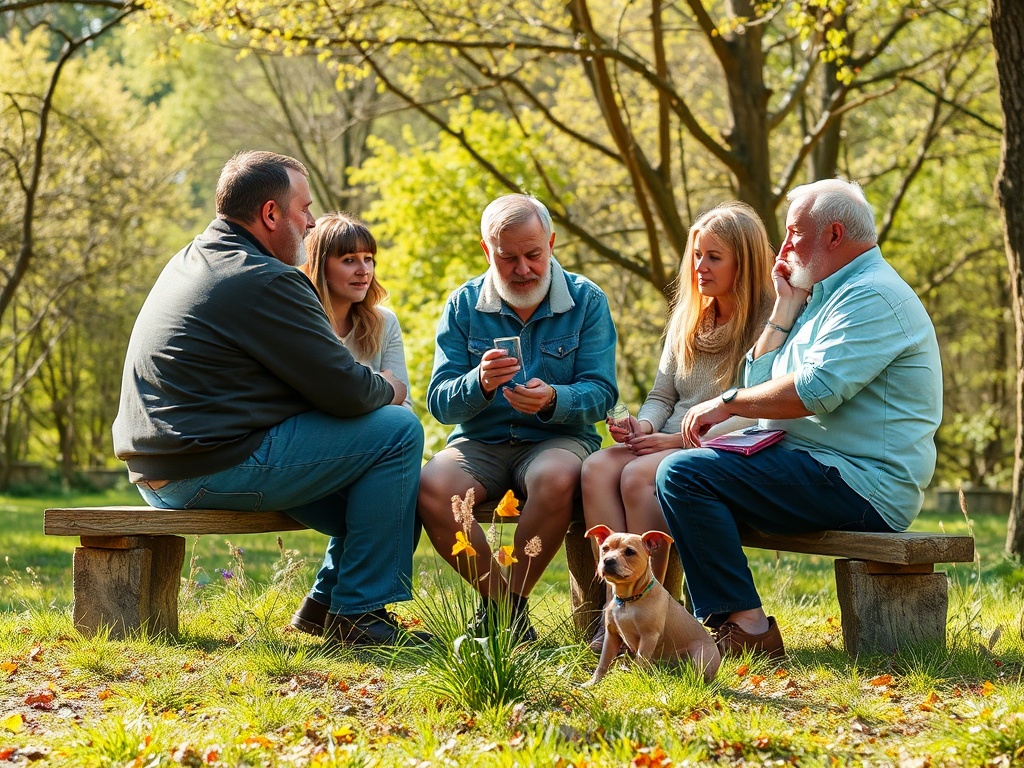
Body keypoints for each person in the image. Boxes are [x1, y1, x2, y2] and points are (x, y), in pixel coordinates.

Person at [112, 150, 426, 647]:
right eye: (303, 208)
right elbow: (348, 392)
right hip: (206, 466)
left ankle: (324, 608)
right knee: (399, 432)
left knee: (388, 495)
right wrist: (393, 388)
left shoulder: (196, 257)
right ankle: (359, 616)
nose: (312, 220)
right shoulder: (266, 279)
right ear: (271, 214)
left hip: (162, 466)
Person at [655, 179, 942, 659]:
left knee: (684, 474)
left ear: (832, 235)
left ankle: (744, 628)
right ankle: (706, 623)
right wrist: (785, 308)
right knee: (682, 471)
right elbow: (765, 375)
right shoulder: (824, 295)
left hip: (862, 482)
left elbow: (815, 391)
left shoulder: (872, 296)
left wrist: (727, 402)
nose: (782, 247)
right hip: (814, 463)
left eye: (792, 233)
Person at [418, 193, 618, 641]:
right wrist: (479, 383)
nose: (523, 269)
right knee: (433, 484)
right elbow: (439, 401)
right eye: (508, 258)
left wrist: (553, 400)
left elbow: (603, 394)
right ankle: (504, 608)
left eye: (534, 254)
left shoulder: (587, 301)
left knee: (556, 477)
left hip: (558, 440)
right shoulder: (463, 305)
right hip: (480, 443)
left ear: (551, 242)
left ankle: (502, 612)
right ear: (487, 251)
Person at [581, 202, 774, 648]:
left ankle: (654, 614)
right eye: (697, 255)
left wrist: (674, 439)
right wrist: (642, 427)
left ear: (743, 262)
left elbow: (755, 410)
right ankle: (615, 613)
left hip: (719, 443)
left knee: (636, 476)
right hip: (666, 436)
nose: (700, 266)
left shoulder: (769, 323)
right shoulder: (688, 315)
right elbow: (662, 396)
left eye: (714, 257)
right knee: (596, 468)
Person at [287, 212, 414, 634]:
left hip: (364, 457)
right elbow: (310, 406)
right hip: (309, 457)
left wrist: (362, 394)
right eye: (348, 260)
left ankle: (328, 607)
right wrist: (375, 390)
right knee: (394, 496)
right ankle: (355, 613)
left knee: (407, 492)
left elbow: (404, 401)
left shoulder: (383, 322)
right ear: (320, 263)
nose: (363, 270)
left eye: (368, 258)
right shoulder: (303, 318)